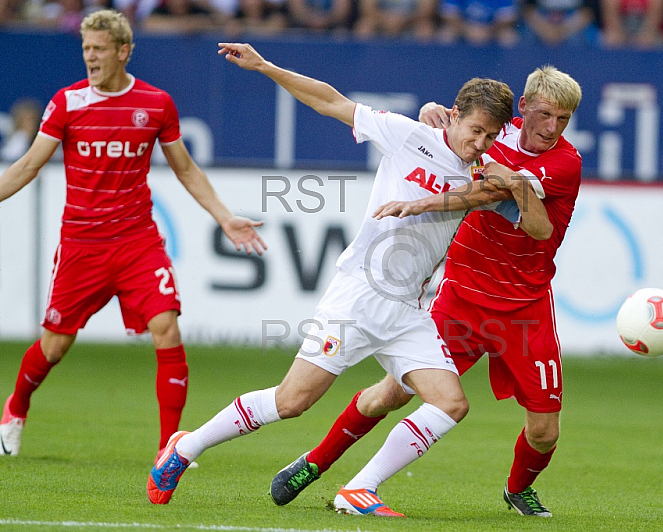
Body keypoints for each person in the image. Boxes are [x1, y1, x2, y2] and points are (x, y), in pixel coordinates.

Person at [146, 41, 514, 517]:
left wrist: (508, 180)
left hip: (407, 309)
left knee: (450, 404)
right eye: (475, 130)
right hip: (359, 294)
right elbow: (330, 100)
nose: (480, 143)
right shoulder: (407, 135)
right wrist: (265, 66)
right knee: (292, 401)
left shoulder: (485, 170)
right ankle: (185, 448)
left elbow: (528, 207)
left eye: (490, 135)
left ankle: (360, 488)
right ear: (456, 114)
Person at [269, 65, 583, 518]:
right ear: (524, 109)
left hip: (526, 304)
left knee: (545, 432)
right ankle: (315, 463)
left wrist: (425, 201)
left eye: (564, 120)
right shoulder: (492, 134)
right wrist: (434, 116)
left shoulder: (564, 163)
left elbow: (487, 197)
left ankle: (518, 489)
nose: (552, 129)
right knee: (389, 394)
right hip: (462, 292)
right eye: (546, 115)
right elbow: (451, 137)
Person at [0, 10, 266, 460]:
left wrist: (223, 216)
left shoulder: (156, 103)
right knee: (55, 344)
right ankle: (16, 408)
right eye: (86, 48)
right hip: (82, 246)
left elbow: (185, 167)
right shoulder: (66, 103)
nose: (90, 57)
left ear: (123, 51)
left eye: (99, 49)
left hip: (138, 241)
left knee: (166, 327)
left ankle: (170, 449)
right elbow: (28, 165)